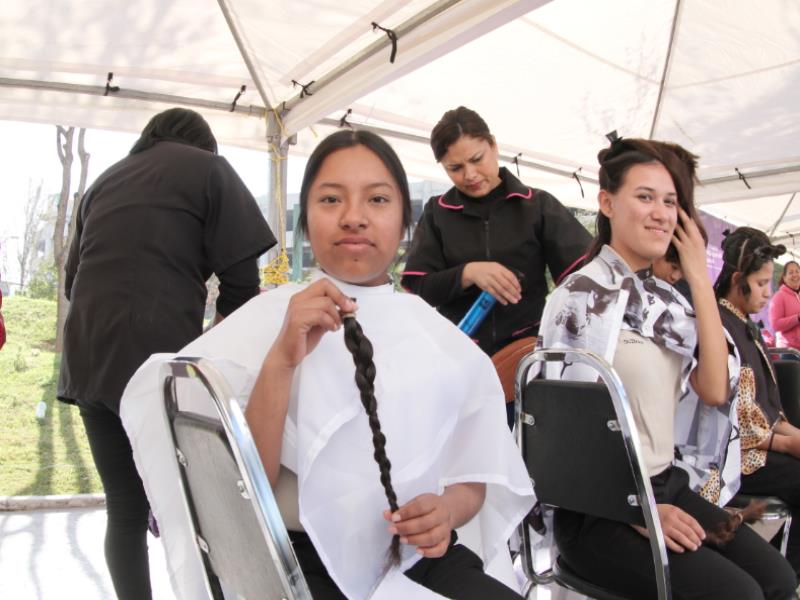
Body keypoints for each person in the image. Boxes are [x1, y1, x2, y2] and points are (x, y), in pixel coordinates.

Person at [120, 130, 534, 599]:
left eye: (377, 199)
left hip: (418, 555)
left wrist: (446, 513)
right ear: (306, 221)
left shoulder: (440, 341)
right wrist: (281, 359)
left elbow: (470, 474)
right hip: (296, 561)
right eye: (331, 199)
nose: (353, 217)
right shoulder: (265, 322)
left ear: (405, 224)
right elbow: (241, 489)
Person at [536, 136, 797, 599]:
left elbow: (716, 390)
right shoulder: (581, 299)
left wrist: (698, 274)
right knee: (739, 595)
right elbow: (561, 440)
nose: (661, 212)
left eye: (670, 201)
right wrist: (638, 510)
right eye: (645, 197)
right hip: (599, 506)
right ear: (607, 203)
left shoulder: (666, 304)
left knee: (778, 579)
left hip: (664, 484)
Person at [57, 108, 276, 599]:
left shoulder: (105, 181)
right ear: (204, 143)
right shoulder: (209, 169)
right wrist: (215, 353)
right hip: (152, 358)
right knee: (200, 504)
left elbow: (73, 280)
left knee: (125, 509)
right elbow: (243, 283)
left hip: (88, 358)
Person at [401, 107, 591, 418]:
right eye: (455, 168)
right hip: (459, 363)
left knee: (524, 454)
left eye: (477, 159)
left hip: (526, 366)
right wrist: (468, 273)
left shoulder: (536, 205)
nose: (470, 175)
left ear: (494, 146)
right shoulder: (438, 212)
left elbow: (582, 278)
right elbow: (420, 286)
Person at [715, 227, 800, 578]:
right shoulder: (720, 327)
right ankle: (785, 574)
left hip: (761, 445)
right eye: (763, 283)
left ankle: (781, 571)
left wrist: (793, 435)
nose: (768, 292)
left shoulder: (744, 325)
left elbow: (769, 409)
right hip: (733, 456)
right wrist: (788, 443)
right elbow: (738, 426)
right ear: (738, 279)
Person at [769, 260, 800, 351]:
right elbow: (775, 325)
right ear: (784, 278)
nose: (795, 275)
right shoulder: (779, 297)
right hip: (790, 352)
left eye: (797, 271)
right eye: (791, 272)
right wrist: (797, 318)